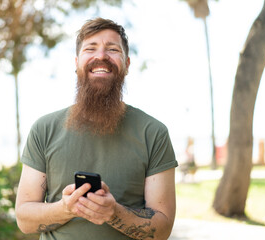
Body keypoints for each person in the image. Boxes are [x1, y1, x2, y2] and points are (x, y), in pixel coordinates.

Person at [15, 18, 178, 240]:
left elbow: (163, 229)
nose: (101, 56)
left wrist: (112, 212)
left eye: (112, 49)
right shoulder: (44, 129)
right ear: (77, 63)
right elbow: (24, 220)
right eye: (90, 48)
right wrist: (66, 208)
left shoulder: (153, 133)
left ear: (127, 64)